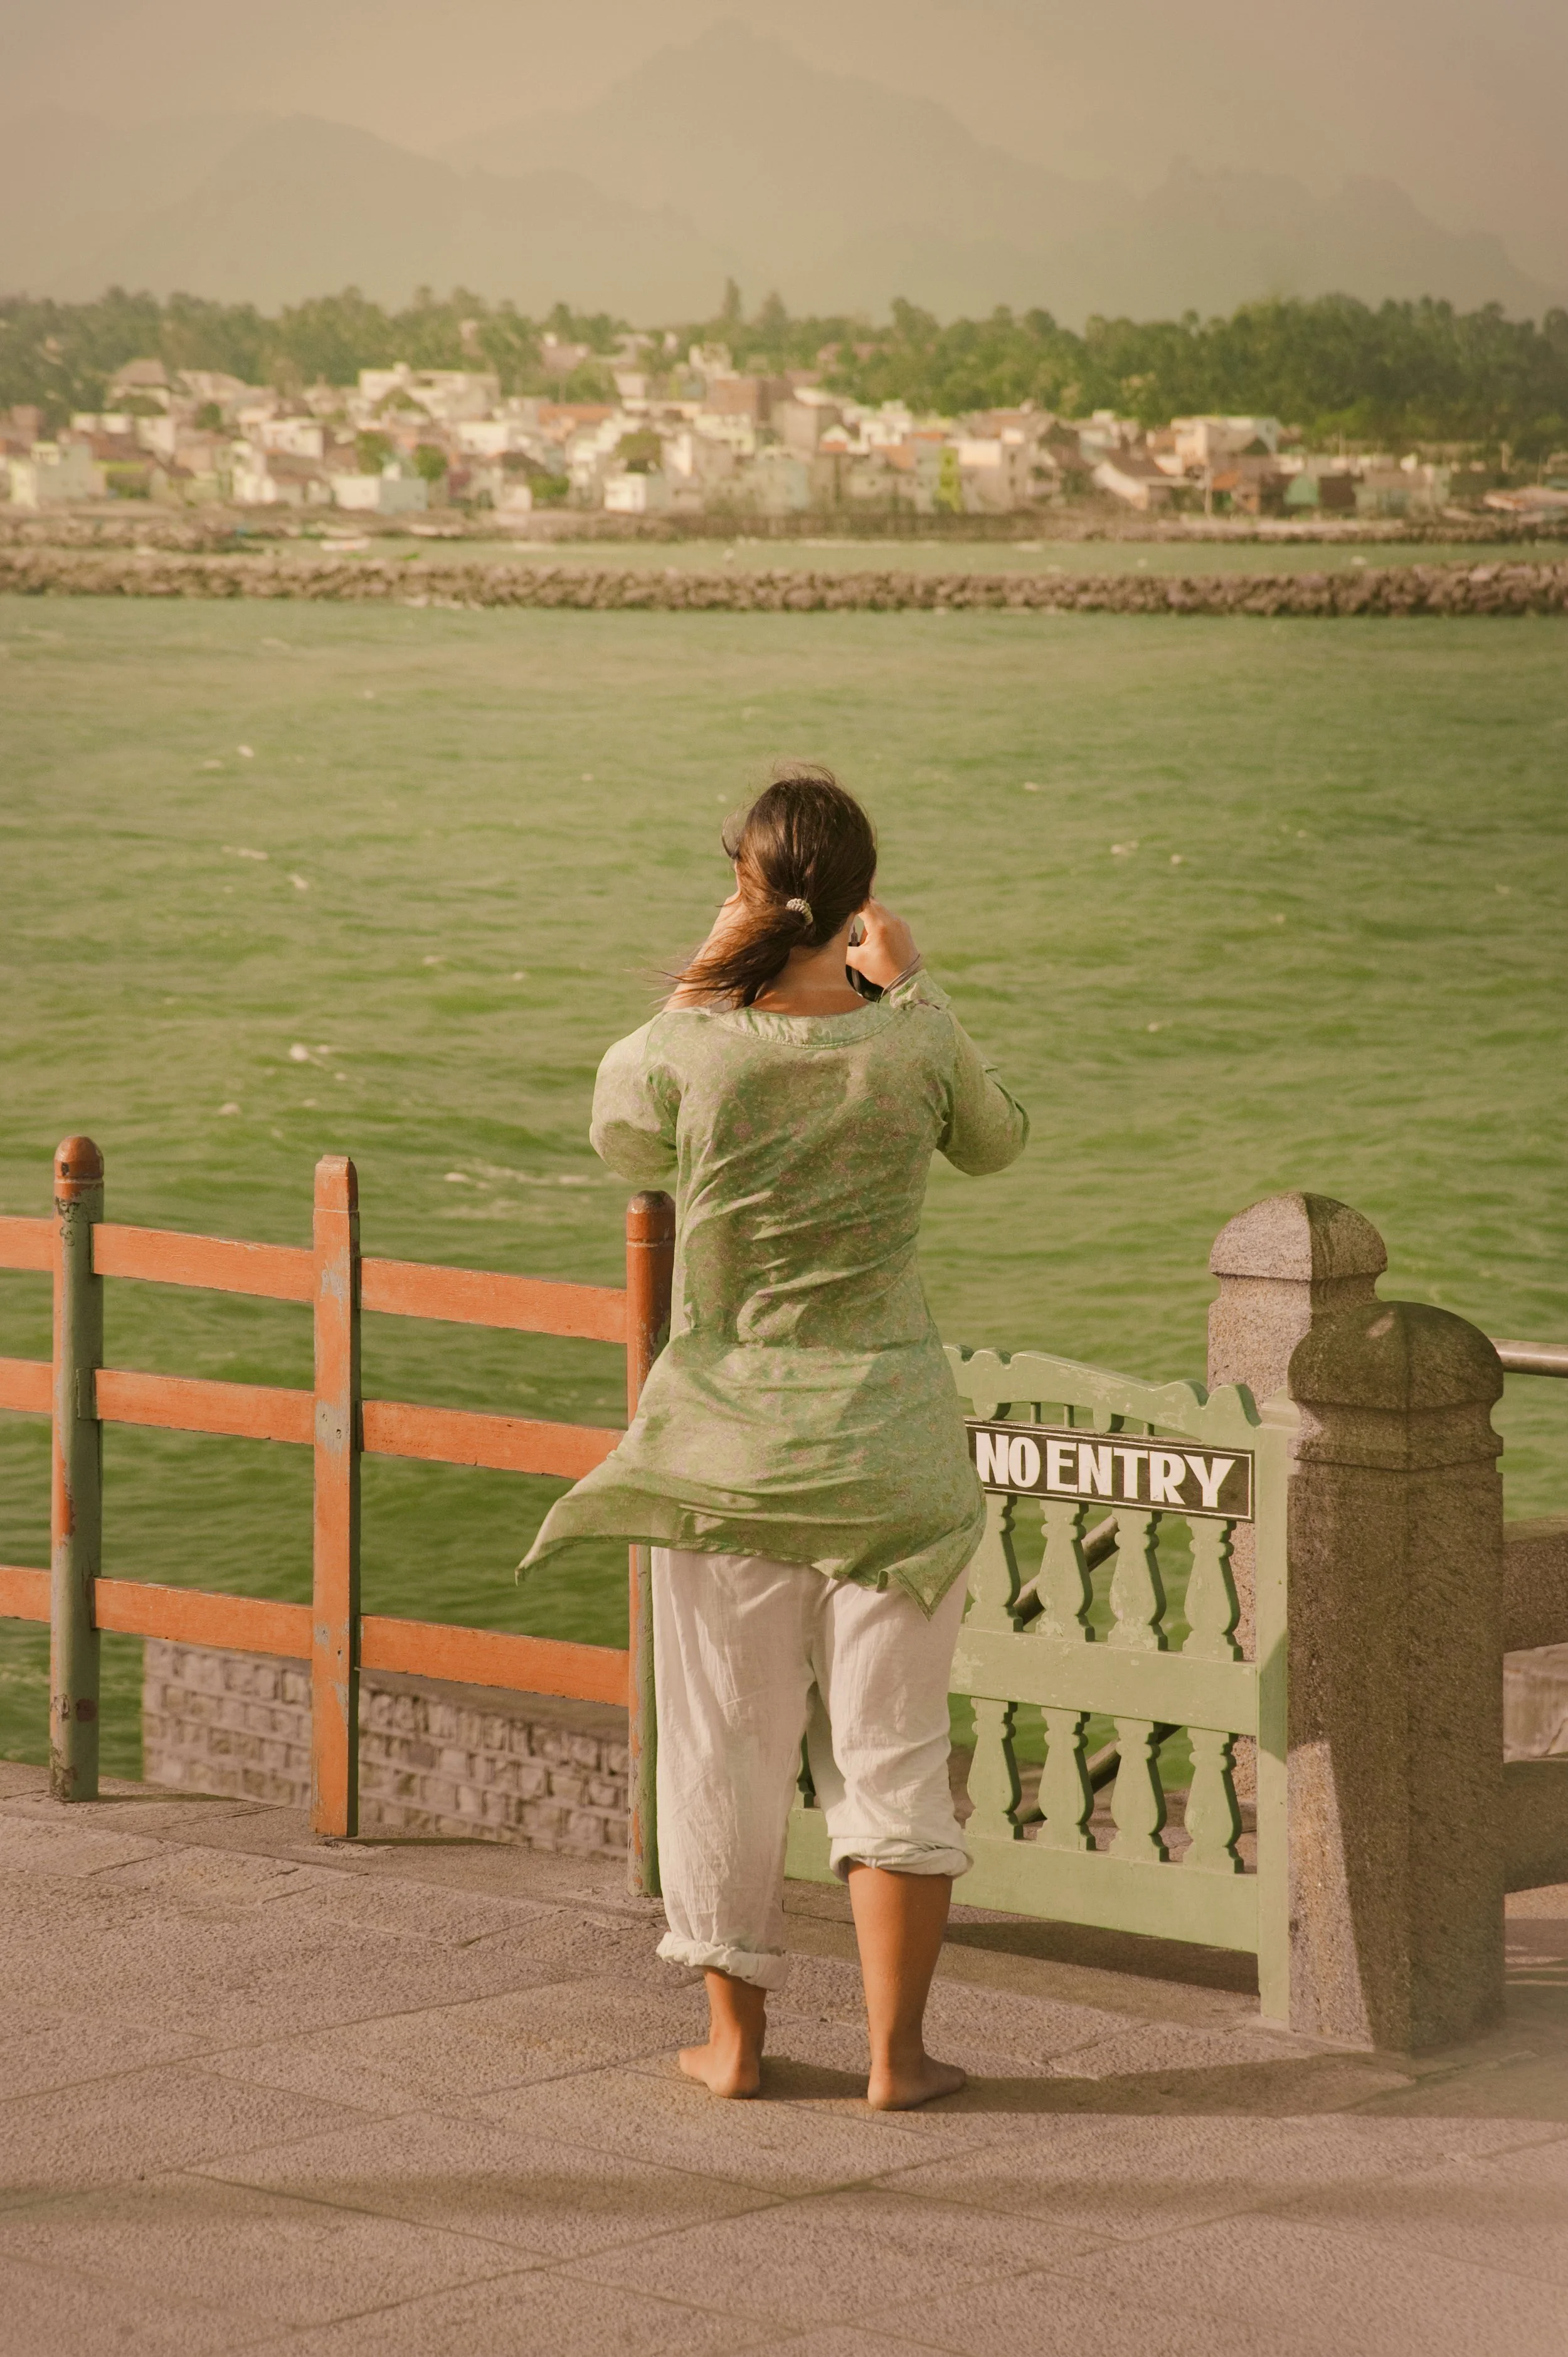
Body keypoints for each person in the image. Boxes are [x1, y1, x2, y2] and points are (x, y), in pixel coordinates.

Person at [521, 765, 1027, 2106]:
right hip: (892, 1461)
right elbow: (994, 1141)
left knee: (724, 1752)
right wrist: (912, 987)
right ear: (862, 903)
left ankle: (734, 2048)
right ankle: (895, 2058)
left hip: (725, 1460)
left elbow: (619, 1134)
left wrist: (696, 980)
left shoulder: (692, 1048)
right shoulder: (908, 1038)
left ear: (745, 890)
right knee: (894, 1756)